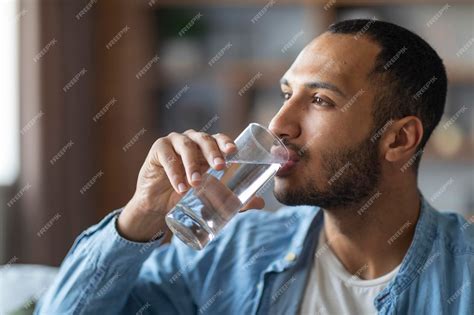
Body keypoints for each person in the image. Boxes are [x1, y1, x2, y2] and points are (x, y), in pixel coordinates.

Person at [35, 19, 473, 315]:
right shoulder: (236, 252)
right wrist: (141, 216)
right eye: (286, 94)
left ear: (398, 140)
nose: (279, 124)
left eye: (320, 100)